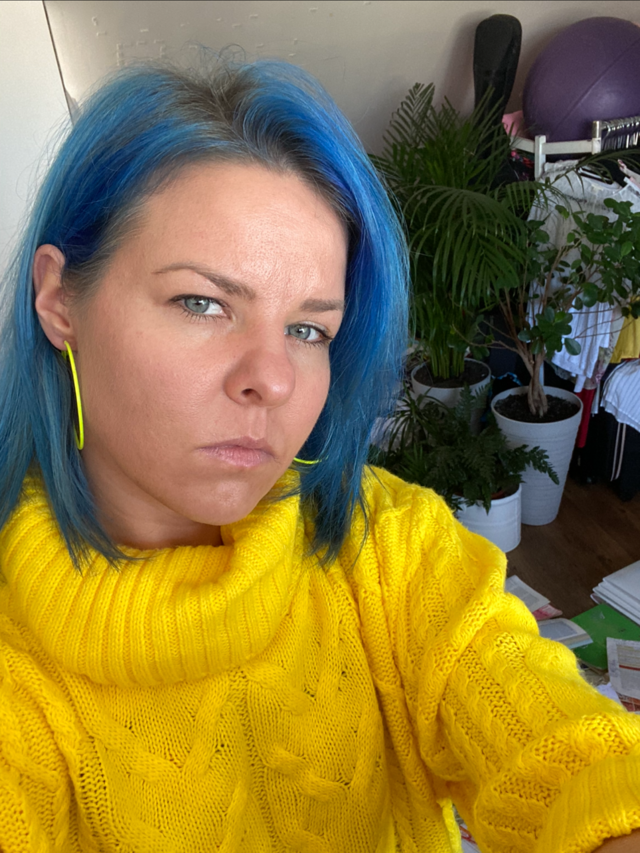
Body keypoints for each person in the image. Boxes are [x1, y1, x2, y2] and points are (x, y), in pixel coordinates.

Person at [0, 57, 638, 853]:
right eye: (203, 302)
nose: (272, 378)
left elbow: (565, 748)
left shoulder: (388, 546)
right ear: (60, 298)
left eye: (308, 329)